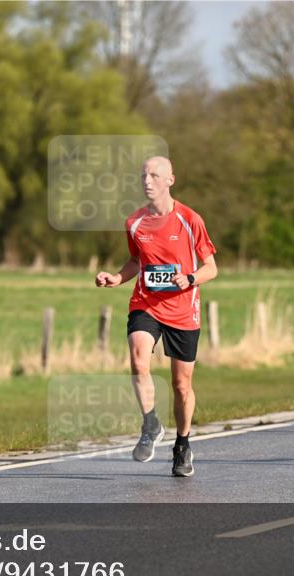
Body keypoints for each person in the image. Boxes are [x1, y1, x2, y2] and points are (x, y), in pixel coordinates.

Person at [95, 156, 217, 477]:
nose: (147, 181)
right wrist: (116, 278)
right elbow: (135, 262)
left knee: (181, 385)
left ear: (170, 180)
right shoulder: (134, 222)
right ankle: (150, 423)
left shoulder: (190, 220)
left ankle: (182, 444)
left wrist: (189, 279)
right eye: (143, 175)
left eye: (154, 175)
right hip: (146, 303)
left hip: (183, 310)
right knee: (138, 360)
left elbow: (211, 268)